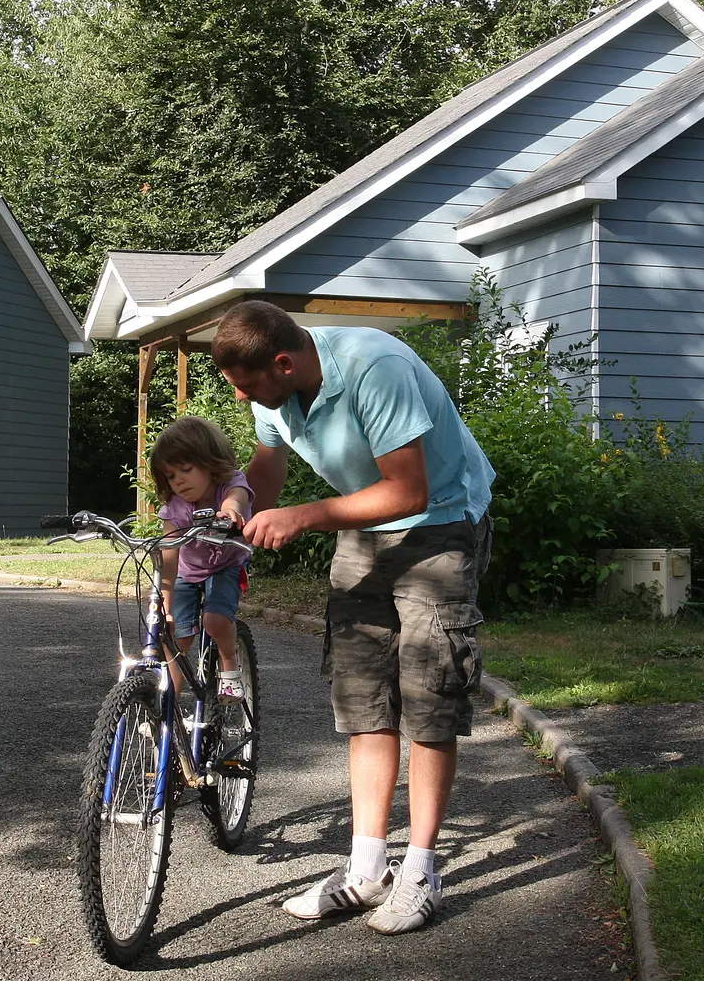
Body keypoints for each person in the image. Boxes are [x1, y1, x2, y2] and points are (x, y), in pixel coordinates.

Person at [213, 300, 493, 935]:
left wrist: (304, 516)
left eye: (249, 385)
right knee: (364, 698)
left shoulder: (375, 365)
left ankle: (420, 870)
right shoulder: (272, 387)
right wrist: (240, 502)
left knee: (428, 697)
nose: (243, 395)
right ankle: (366, 869)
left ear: (283, 362)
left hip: (439, 524)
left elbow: (408, 491)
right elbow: (271, 462)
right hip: (364, 529)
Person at [150, 416, 254, 702]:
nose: (178, 480)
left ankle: (230, 666)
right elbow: (169, 557)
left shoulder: (230, 484)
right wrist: (166, 607)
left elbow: (237, 498)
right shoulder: (174, 506)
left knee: (215, 618)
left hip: (227, 565)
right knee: (175, 637)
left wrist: (230, 511)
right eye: (170, 475)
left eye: (185, 469)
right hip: (187, 570)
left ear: (211, 463)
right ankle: (168, 701)